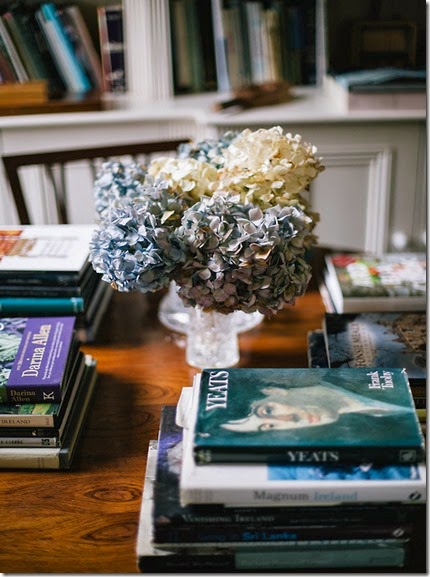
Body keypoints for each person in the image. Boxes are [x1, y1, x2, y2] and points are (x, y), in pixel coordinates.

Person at [221, 381, 412, 434]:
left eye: (268, 411)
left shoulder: (361, 378)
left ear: (275, 391)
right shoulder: (375, 422)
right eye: (269, 426)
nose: (288, 421)